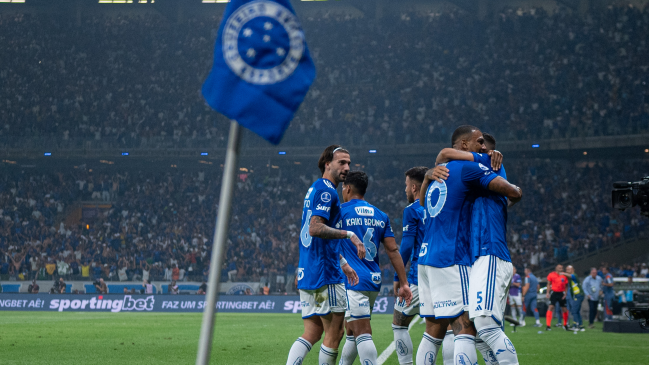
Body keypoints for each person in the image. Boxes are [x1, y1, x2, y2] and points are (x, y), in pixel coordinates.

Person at [417, 126, 521, 365]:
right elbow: (511, 191)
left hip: (426, 257)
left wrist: (425, 177)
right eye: (479, 142)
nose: (484, 148)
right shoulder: (471, 168)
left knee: (434, 331)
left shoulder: (438, 174)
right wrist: (515, 192)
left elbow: (421, 205)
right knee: (467, 328)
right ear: (464, 145)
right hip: (452, 256)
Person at [286, 145, 365, 365]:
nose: (347, 167)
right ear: (327, 163)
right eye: (342, 162)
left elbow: (318, 236)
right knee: (335, 334)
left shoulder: (315, 188)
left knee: (312, 332)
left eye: (349, 163)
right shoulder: (326, 191)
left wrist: (343, 263)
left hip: (311, 271)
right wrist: (350, 234)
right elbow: (315, 228)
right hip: (325, 275)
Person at [337, 171, 412, 365]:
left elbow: (327, 242)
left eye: (343, 187)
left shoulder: (341, 211)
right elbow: (393, 250)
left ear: (348, 188)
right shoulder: (380, 215)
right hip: (373, 281)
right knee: (351, 330)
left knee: (362, 331)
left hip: (352, 279)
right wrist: (403, 282)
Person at [391, 166, 430, 365]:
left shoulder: (412, 209)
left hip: (417, 275)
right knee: (445, 327)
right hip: (444, 271)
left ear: (415, 187)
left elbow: (406, 245)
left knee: (398, 323)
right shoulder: (441, 205)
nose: (405, 190)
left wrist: (399, 277)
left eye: (406, 185)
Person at [546, 264, 569, 330]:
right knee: (551, 307)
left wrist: (565, 293)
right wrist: (547, 293)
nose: (561, 269)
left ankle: (565, 325)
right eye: (559, 268)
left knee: (564, 308)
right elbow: (548, 284)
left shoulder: (564, 275)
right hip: (554, 292)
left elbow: (566, 285)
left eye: (561, 268)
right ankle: (548, 325)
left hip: (561, 293)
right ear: (556, 268)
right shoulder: (551, 274)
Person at [563, 265, 585, 331]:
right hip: (578, 295)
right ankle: (580, 326)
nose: (567, 271)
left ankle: (575, 325)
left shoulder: (574, 275)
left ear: (573, 270)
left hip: (578, 295)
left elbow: (570, 276)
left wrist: (562, 273)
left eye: (568, 269)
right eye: (566, 269)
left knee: (574, 310)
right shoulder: (571, 277)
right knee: (577, 311)